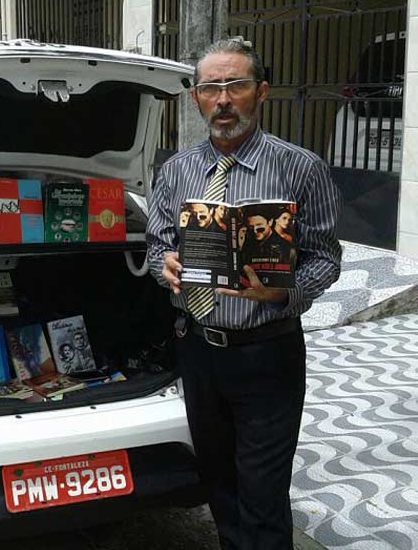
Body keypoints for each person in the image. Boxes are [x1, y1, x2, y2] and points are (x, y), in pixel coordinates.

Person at [146, 37, 341, 550]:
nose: (223, 99)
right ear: (197, 97)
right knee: (220, 486)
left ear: (262, 91)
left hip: (267, 352)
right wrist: (164, 265)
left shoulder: (301, 168)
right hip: (197, 350)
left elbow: (326, 258)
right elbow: (156, 244)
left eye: (236, 85)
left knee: (262, 493)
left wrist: (282, 293)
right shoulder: (176, 171)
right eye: (211, 87)